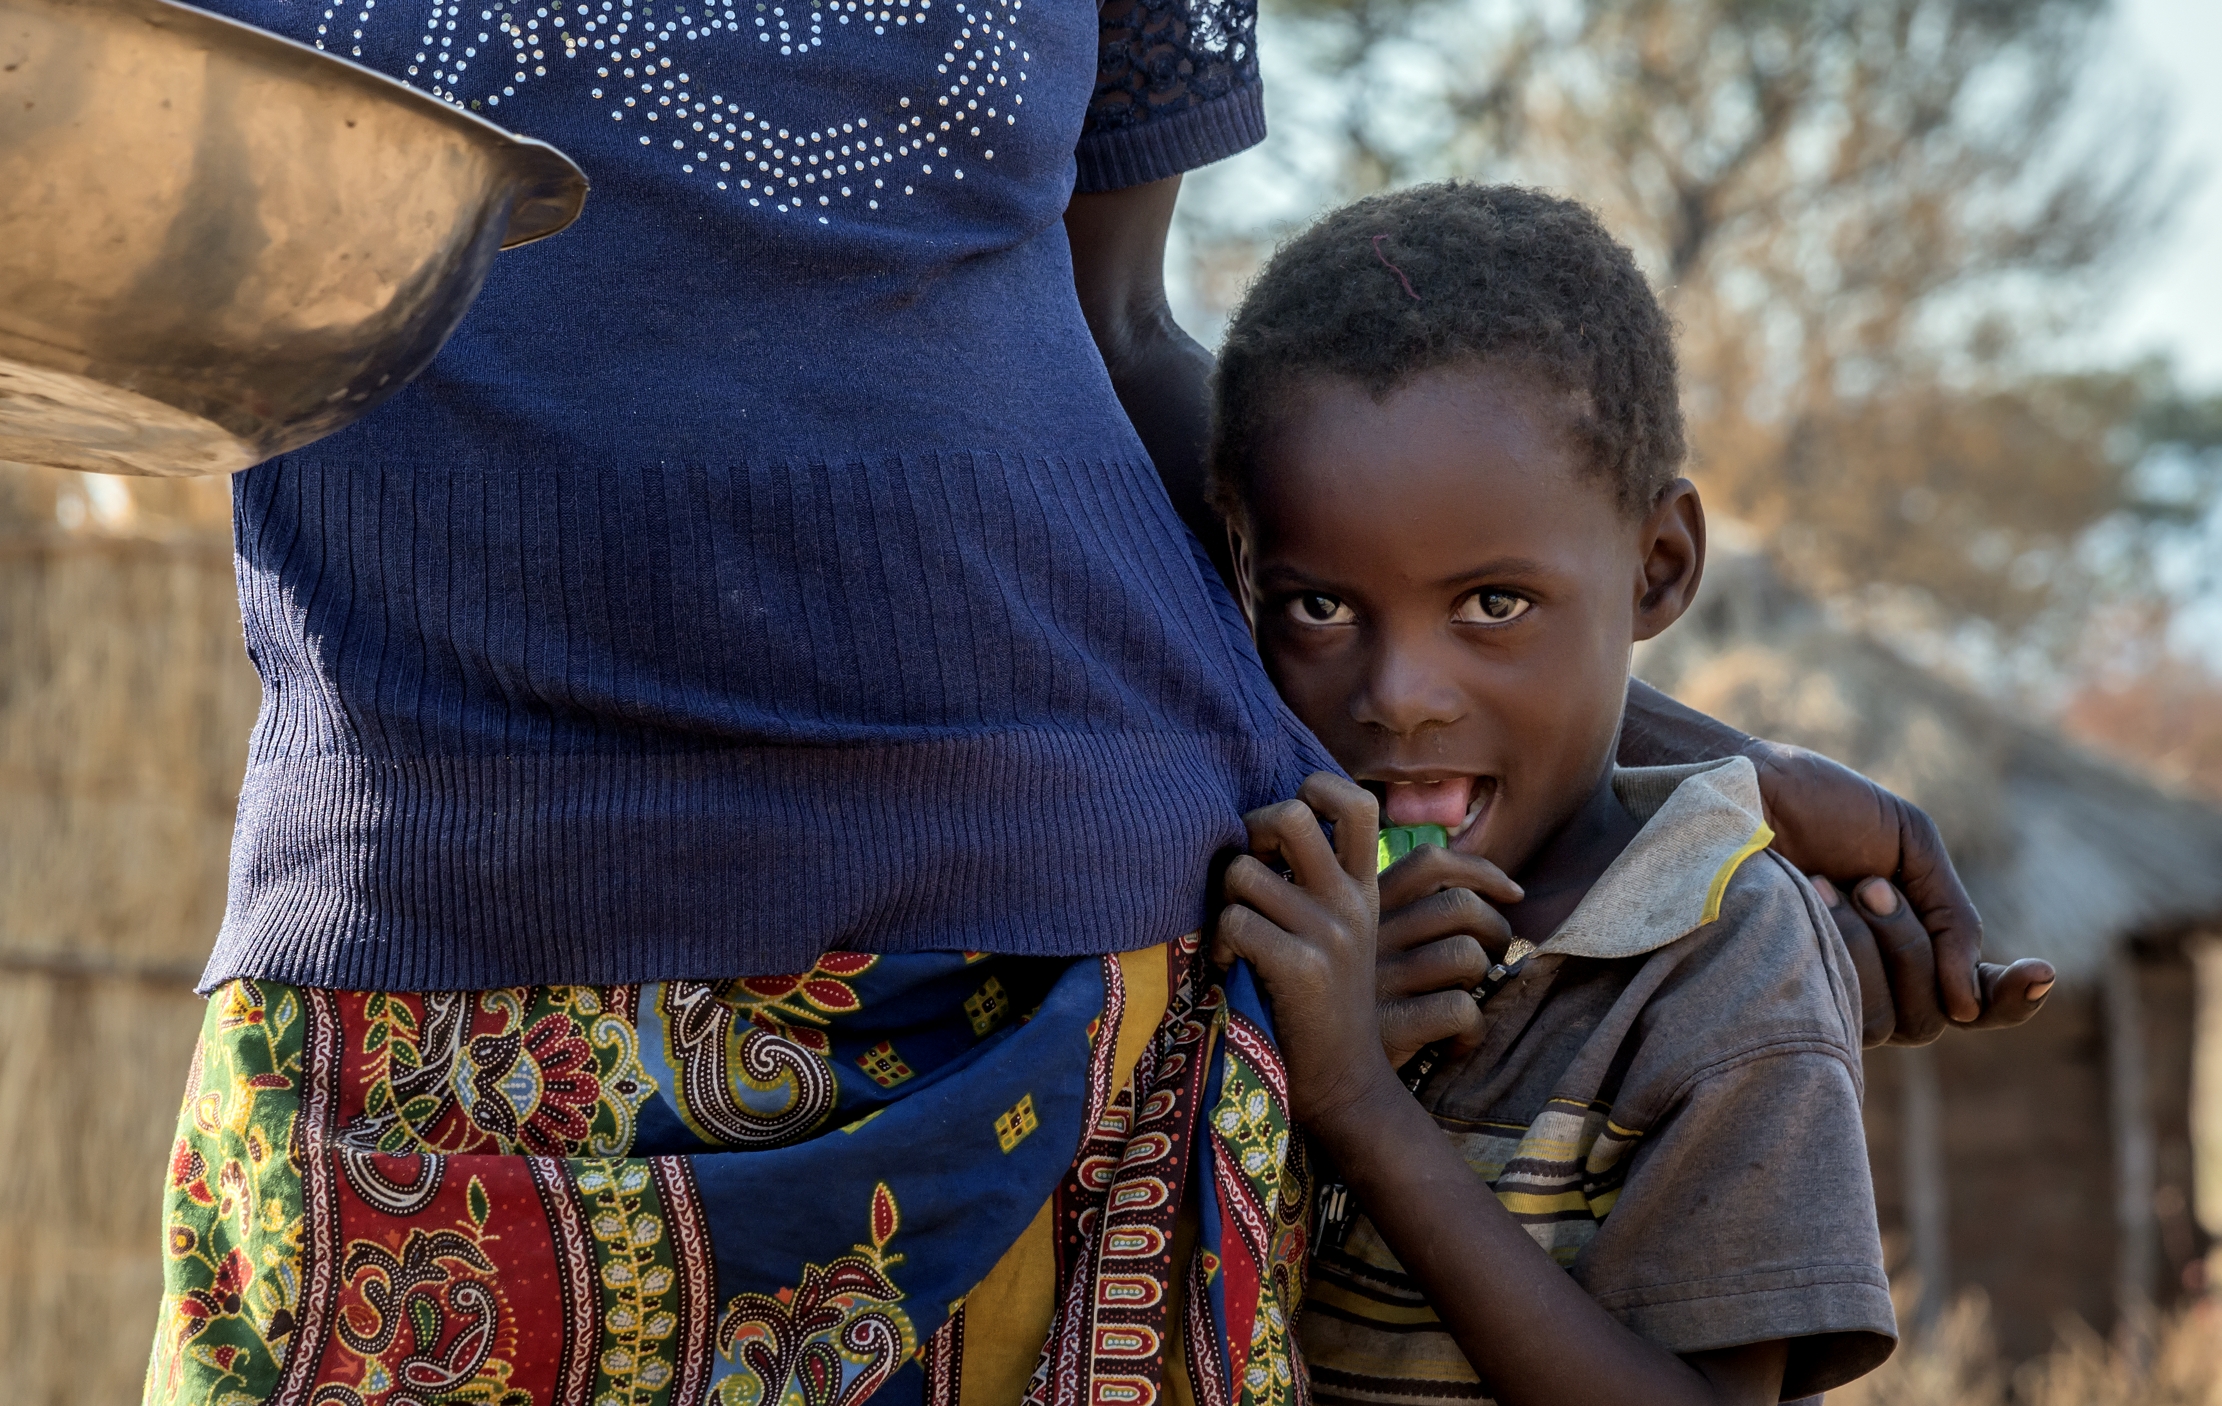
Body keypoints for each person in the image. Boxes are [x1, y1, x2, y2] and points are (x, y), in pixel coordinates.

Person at [143, 0, 2037, 1399]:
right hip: (424, 949)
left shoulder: (1682, 943)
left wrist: (1669, 756)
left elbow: (1118, 344)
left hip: (1065, 1000)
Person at [1206, 182, 2014, 1404]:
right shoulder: (1266, 875)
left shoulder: (1725, 958)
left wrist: (1352, 1102)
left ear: (1658, 566)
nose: (1400, 695)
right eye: (1319, 605)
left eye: (1492, 603)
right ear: (1239, 569)